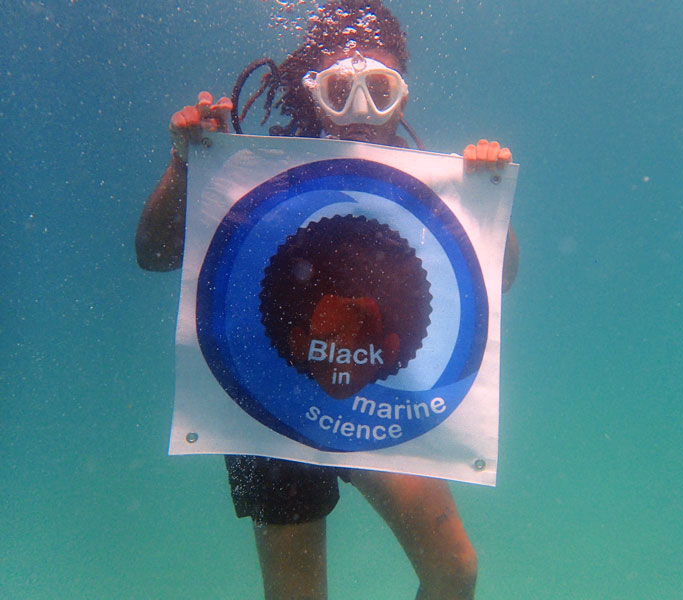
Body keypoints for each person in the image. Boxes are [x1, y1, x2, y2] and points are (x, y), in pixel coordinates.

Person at [136, 2, 518, 599]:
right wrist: (185, 164)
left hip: (376, 391)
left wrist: (488, 204)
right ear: (312, 92)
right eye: (340, 89)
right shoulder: (248, 168)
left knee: (454, 570)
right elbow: (153, 253)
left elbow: (499, 278)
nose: (360, 110)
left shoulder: (425, 186)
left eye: (381, 89)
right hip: (270, 399)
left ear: (404, 97)